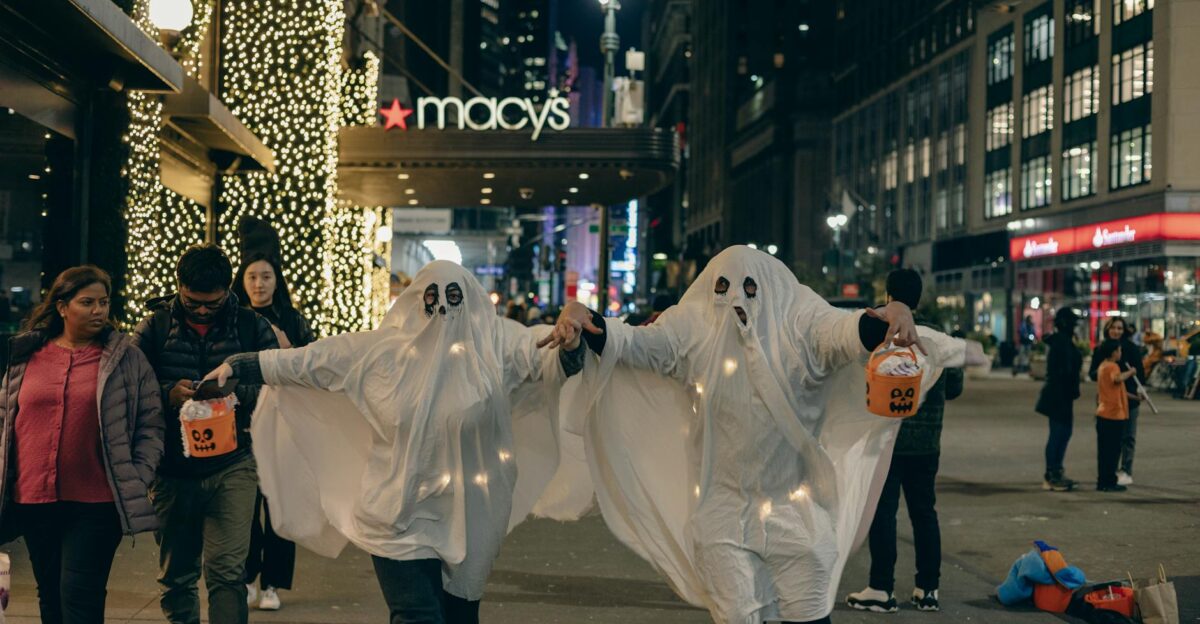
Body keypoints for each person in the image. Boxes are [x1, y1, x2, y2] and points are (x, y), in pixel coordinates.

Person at [541, 247, 981, 624]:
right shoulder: (694, 331)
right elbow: (635, 343)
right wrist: (582, 316)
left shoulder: (802, 326)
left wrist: (893, 317)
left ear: (767, 287)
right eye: (723, 289)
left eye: (748, 288)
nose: (735, 300)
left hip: (797, 511)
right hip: (723, 512)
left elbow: (849, 332)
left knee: (807, 609)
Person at [204, 260, 586, 624]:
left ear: (467, 300)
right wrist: (242, 365)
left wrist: (570, 341)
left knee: (460, 616)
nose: (442, 309)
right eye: (431, 298)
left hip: (468, 514)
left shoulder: (493, 348)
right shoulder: (379, 352)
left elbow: (542, 353)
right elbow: (310, 362)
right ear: (417, 300)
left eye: (453, 297)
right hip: (397, 514)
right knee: (417, 615)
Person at [0, 266, 164, 624]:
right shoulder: (28, 354)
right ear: (62, 307)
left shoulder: (126, 359)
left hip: (96, 502)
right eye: (87, 302)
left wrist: (137, 474)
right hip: (33, 499)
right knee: (51, 600)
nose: (98, 311)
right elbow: (6, 419)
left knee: (79, 598)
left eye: (103, 302)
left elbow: (151, 423)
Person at [132, 244, 279, 624]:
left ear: (228, 291)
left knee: (227, 573)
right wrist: (168, 394)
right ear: (178, 286)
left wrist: (234, 392)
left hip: (234, 465)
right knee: (177, 576)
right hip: (172, 470)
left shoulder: (250, 326)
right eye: (192, 301)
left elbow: (276, 386)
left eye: (211, 305)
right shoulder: (155, 326)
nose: (200, 311)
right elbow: (129, 386)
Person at [846, 274, 964, 613]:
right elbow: (955, 388)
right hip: (927, 443)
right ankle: (928, 589)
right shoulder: (941, 338)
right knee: (925, 513)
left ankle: (881, 588)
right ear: (919, 299)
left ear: (888, 295)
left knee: (884, 514)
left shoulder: (878, 332)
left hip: (887, 441)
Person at [232, 251, 315, 610]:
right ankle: (249, 575)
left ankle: (273, 584)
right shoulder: (233, 319)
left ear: (277, 281)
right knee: (243, 505)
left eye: (265, 276)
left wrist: (287, 348)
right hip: (241, 422)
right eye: (252, 277)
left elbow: (310, 367)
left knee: (279, 503)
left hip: (283, 422)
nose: (258, 284)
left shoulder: (292, 320)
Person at [1087, 318, 1144, 486]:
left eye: (1120, 328)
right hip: (1109, 401)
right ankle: (1109, 473)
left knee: (1128, 437)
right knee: (1110, 440)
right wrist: (1103, 372)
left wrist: (1137, 390)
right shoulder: (1102, 350)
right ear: (1108, 329)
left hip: (1129, 399)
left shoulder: (1131, 349)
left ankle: (1126, 470)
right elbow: (1094, 374)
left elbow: (1140, 373)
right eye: (1114, 328)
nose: (1117, 331)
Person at [1034, 307, 1083, 492]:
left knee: (1063, 433)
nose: (1074, 326)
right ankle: (1052, 473)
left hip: (1062, 394)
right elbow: (1064, 370)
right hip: (1058, 394)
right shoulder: (1061, 342)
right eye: (1072, 322)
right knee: (1059, 433)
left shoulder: (1063, 341)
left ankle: (1056, 471)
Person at [1094, 339, 1136, 492]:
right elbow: (1117, 379)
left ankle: (1104, 480)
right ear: (1113, 352)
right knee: (1112, 451)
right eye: (1119, 350)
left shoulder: (1103, 366)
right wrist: (1131, 372)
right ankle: (1108, 481)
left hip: (1104, 413)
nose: (1120, 353)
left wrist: (1136, 397)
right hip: (1112, 414)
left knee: (1105, 450)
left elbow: (1118, 389)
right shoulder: (1112, 366)